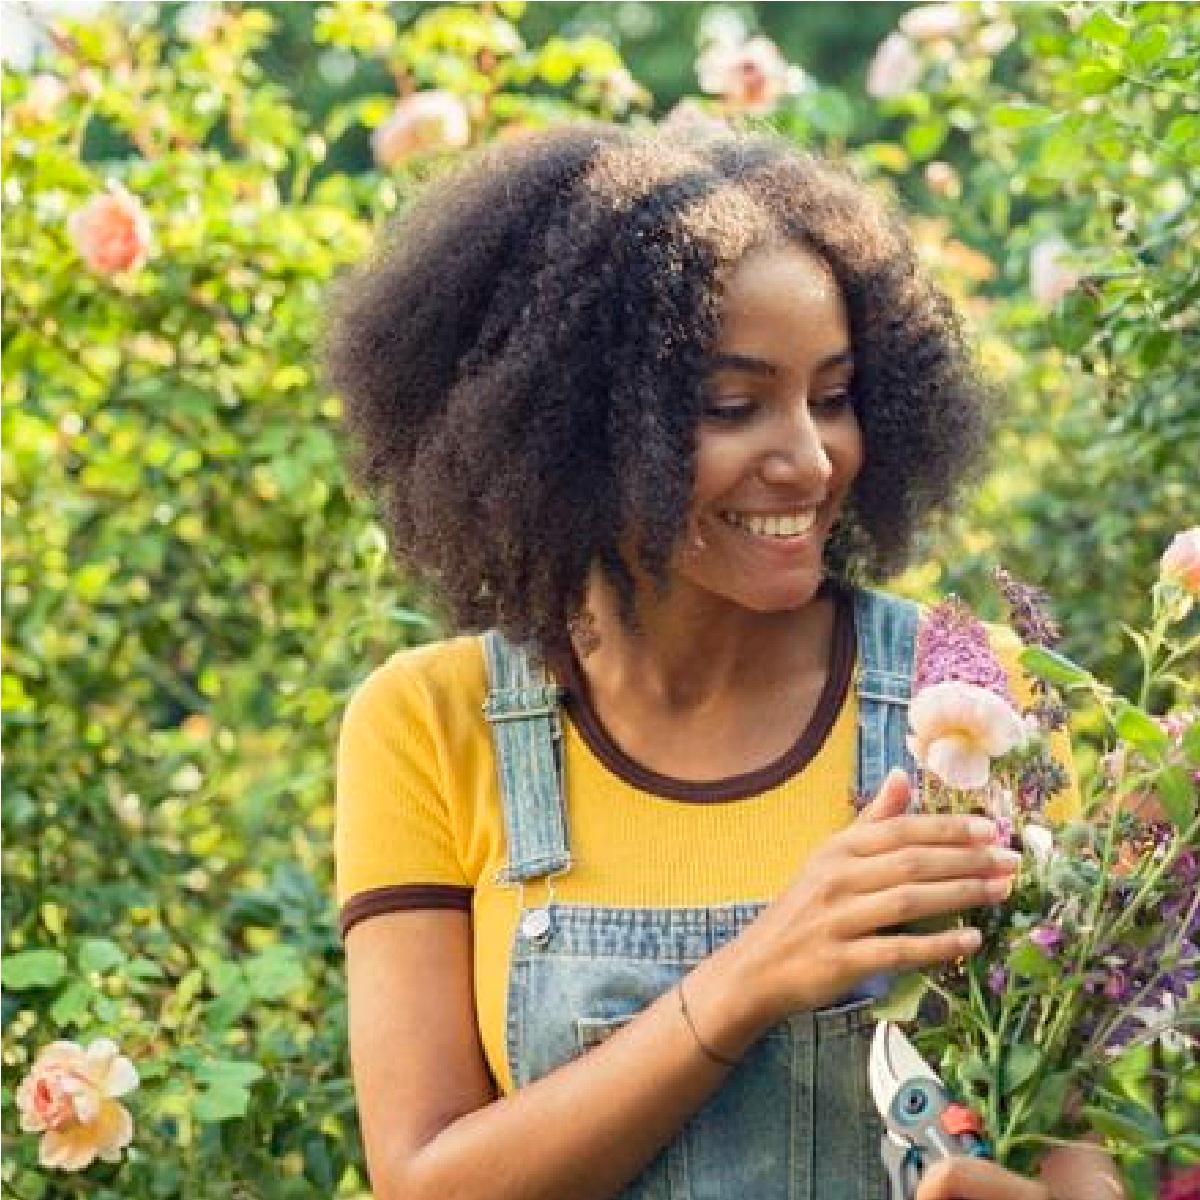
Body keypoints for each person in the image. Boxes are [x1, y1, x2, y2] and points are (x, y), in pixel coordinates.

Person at [321, 124, 1123, 1200]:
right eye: (732, 407)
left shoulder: (975, 706)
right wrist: (752, 975)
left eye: (833, 396)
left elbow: (1083, 1166)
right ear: (571, 428)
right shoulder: (432, 724)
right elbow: (426, 1182)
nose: (806, 458)